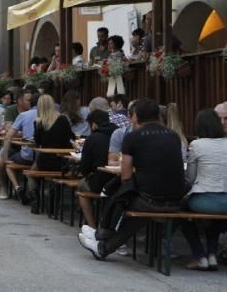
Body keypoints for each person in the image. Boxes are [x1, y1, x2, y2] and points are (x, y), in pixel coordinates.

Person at [78, 99, 186, 260]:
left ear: (135, 117)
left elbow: (126, 175)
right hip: (177, 199)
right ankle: (101, 242)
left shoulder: (132, 137)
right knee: (132, 206)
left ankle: (101, 235)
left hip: (150, 199)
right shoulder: (174, 136)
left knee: (120, 195)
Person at [180, 109, 227, 270]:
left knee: (179, 212)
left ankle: (200, 255)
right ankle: (212, 254)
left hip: (204, 199)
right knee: (215, 218)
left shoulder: (197, 145)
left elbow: (191, 178)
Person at [28, 95, 75, 213]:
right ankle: (53, 205)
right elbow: (72, 137)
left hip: (45, 160)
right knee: (56, 176)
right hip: (62, 161)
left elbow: (37, 143)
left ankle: (36, 201)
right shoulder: (63, 119)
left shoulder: (39, 122)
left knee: (31, 174)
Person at [76, 110, 117, 228]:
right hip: (118, 181)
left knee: (82, 187)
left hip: (101, 182)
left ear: (93, 124)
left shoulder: (93, 138)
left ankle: (91, 225)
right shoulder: (119, 133)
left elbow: (84, 168)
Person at [0, 90, 38, 202]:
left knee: (8, 163)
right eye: (27, 100)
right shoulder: (11, 110)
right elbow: (8, 129)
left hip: (27, 153)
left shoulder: (25, 115)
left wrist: (23, 132)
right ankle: (4, 187)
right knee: (0, 161)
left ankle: (17, 188)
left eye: (30, 100)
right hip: (34, 154)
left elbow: (9, 134)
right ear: (20, 101)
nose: (29, 102)